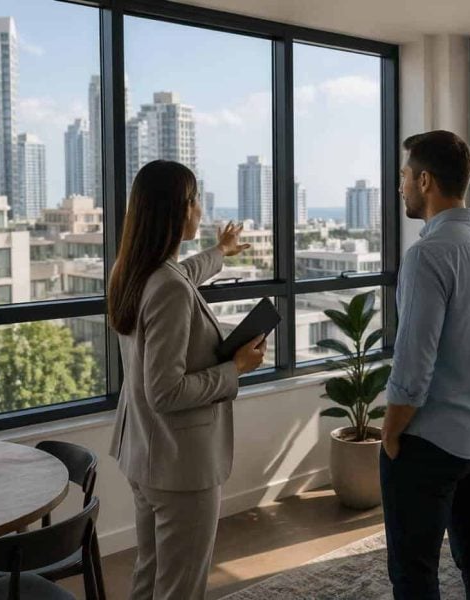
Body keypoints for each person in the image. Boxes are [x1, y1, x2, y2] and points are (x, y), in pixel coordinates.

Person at [108, 160, 267, 600]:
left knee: (151, 572)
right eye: (196, 199)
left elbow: (184, 276)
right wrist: (235, 369)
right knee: (181, 587)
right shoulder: (167, 287)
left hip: (142, 452)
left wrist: (221, 252)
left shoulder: (131, 270)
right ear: (177, 211)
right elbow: (166, 391)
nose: (201, 207)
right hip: (180, 465)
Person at [380, 130, 470, 600]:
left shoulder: (427, 255)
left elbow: (412, 365)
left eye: (404, 176)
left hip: (430, 444)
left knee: (413, 570)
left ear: (424, 180)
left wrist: (390, 433)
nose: (400, 185)